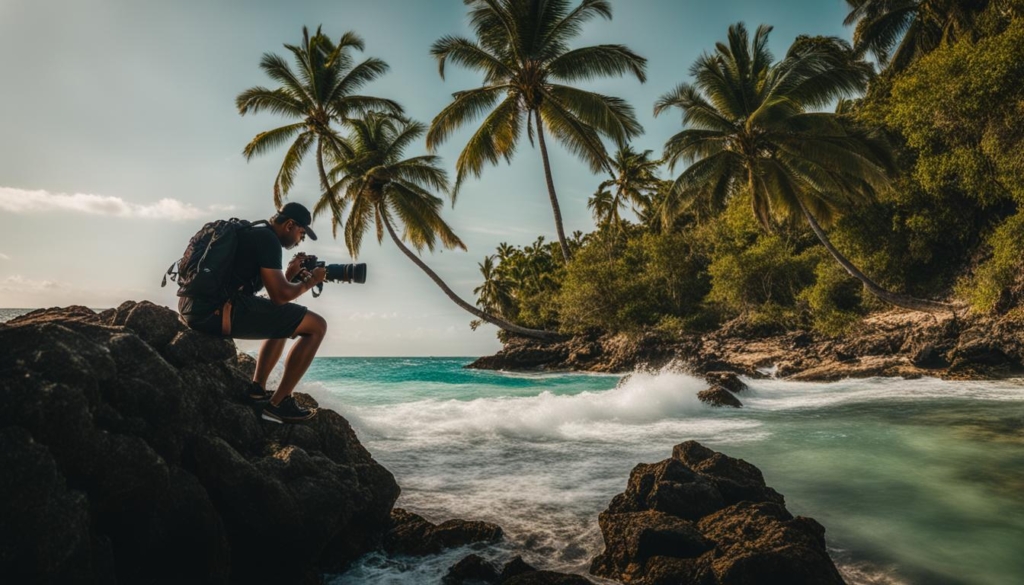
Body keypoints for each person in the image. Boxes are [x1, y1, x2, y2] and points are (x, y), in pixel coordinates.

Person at [178, 202, 328, 423]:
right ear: (289, 225)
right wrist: (312, 280)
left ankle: (257, 389)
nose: (300, 240)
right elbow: (279, 296)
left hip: (194, 307)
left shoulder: (254, 232)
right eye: (301, 233)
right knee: (317, 326)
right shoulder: (268, 240)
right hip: (215, 312)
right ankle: (279, 404)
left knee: (283, 315)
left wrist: (288, 276)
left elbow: (275, 297)